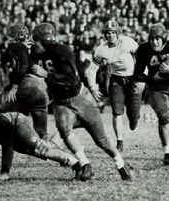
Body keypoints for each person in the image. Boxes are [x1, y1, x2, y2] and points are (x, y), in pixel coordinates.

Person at [30, 23, 131, 181]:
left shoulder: (61, 51)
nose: (33, 43)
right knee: (64, 130)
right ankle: (85, 164)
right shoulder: (35, 53)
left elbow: (70, 79)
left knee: (101, 140)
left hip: (80, 98)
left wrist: (45, 75)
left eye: (35, 39)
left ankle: (120, 163)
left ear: (45, 39)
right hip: (60, 101)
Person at [0, 112, 82, 183]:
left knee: (39, 148)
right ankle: (62, 134)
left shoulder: (2, 125)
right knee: (39, 151)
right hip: (9, 130)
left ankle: (77, 165)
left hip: (16, 123)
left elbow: (7, 147)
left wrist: (4, 172)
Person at [133, 23, 169, 166]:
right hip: (157, 89)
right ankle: (167, 151)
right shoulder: (144, 49)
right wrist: (150, 79)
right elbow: (137, 74)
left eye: (158, 38)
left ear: (164, 38)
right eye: (152, 38)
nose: (154, 42)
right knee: (164, 118)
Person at [87, 20, 145, 152]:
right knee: (116, 111)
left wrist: (143, 79)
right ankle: (120, 142)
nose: (111, 36)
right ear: (105, 35)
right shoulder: (101, 49)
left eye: (113, 33)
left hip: (133, 78)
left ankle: (134, 117)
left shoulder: (128, 42)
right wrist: (93, 87)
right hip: (116, 79)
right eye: (108, 33)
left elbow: (142, 59)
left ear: (117, 33)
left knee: (133, 117)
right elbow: (92, 69)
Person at [0, 24, 49, 139]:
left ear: (17, 36)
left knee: (1, 115)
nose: (10, 38)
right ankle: (51, 153)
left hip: (28, 83)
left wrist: (15, 87)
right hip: (42, 85)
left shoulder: (16, 46)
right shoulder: (38, 45)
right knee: (42, 131)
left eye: (12, 35)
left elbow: (24, 65)